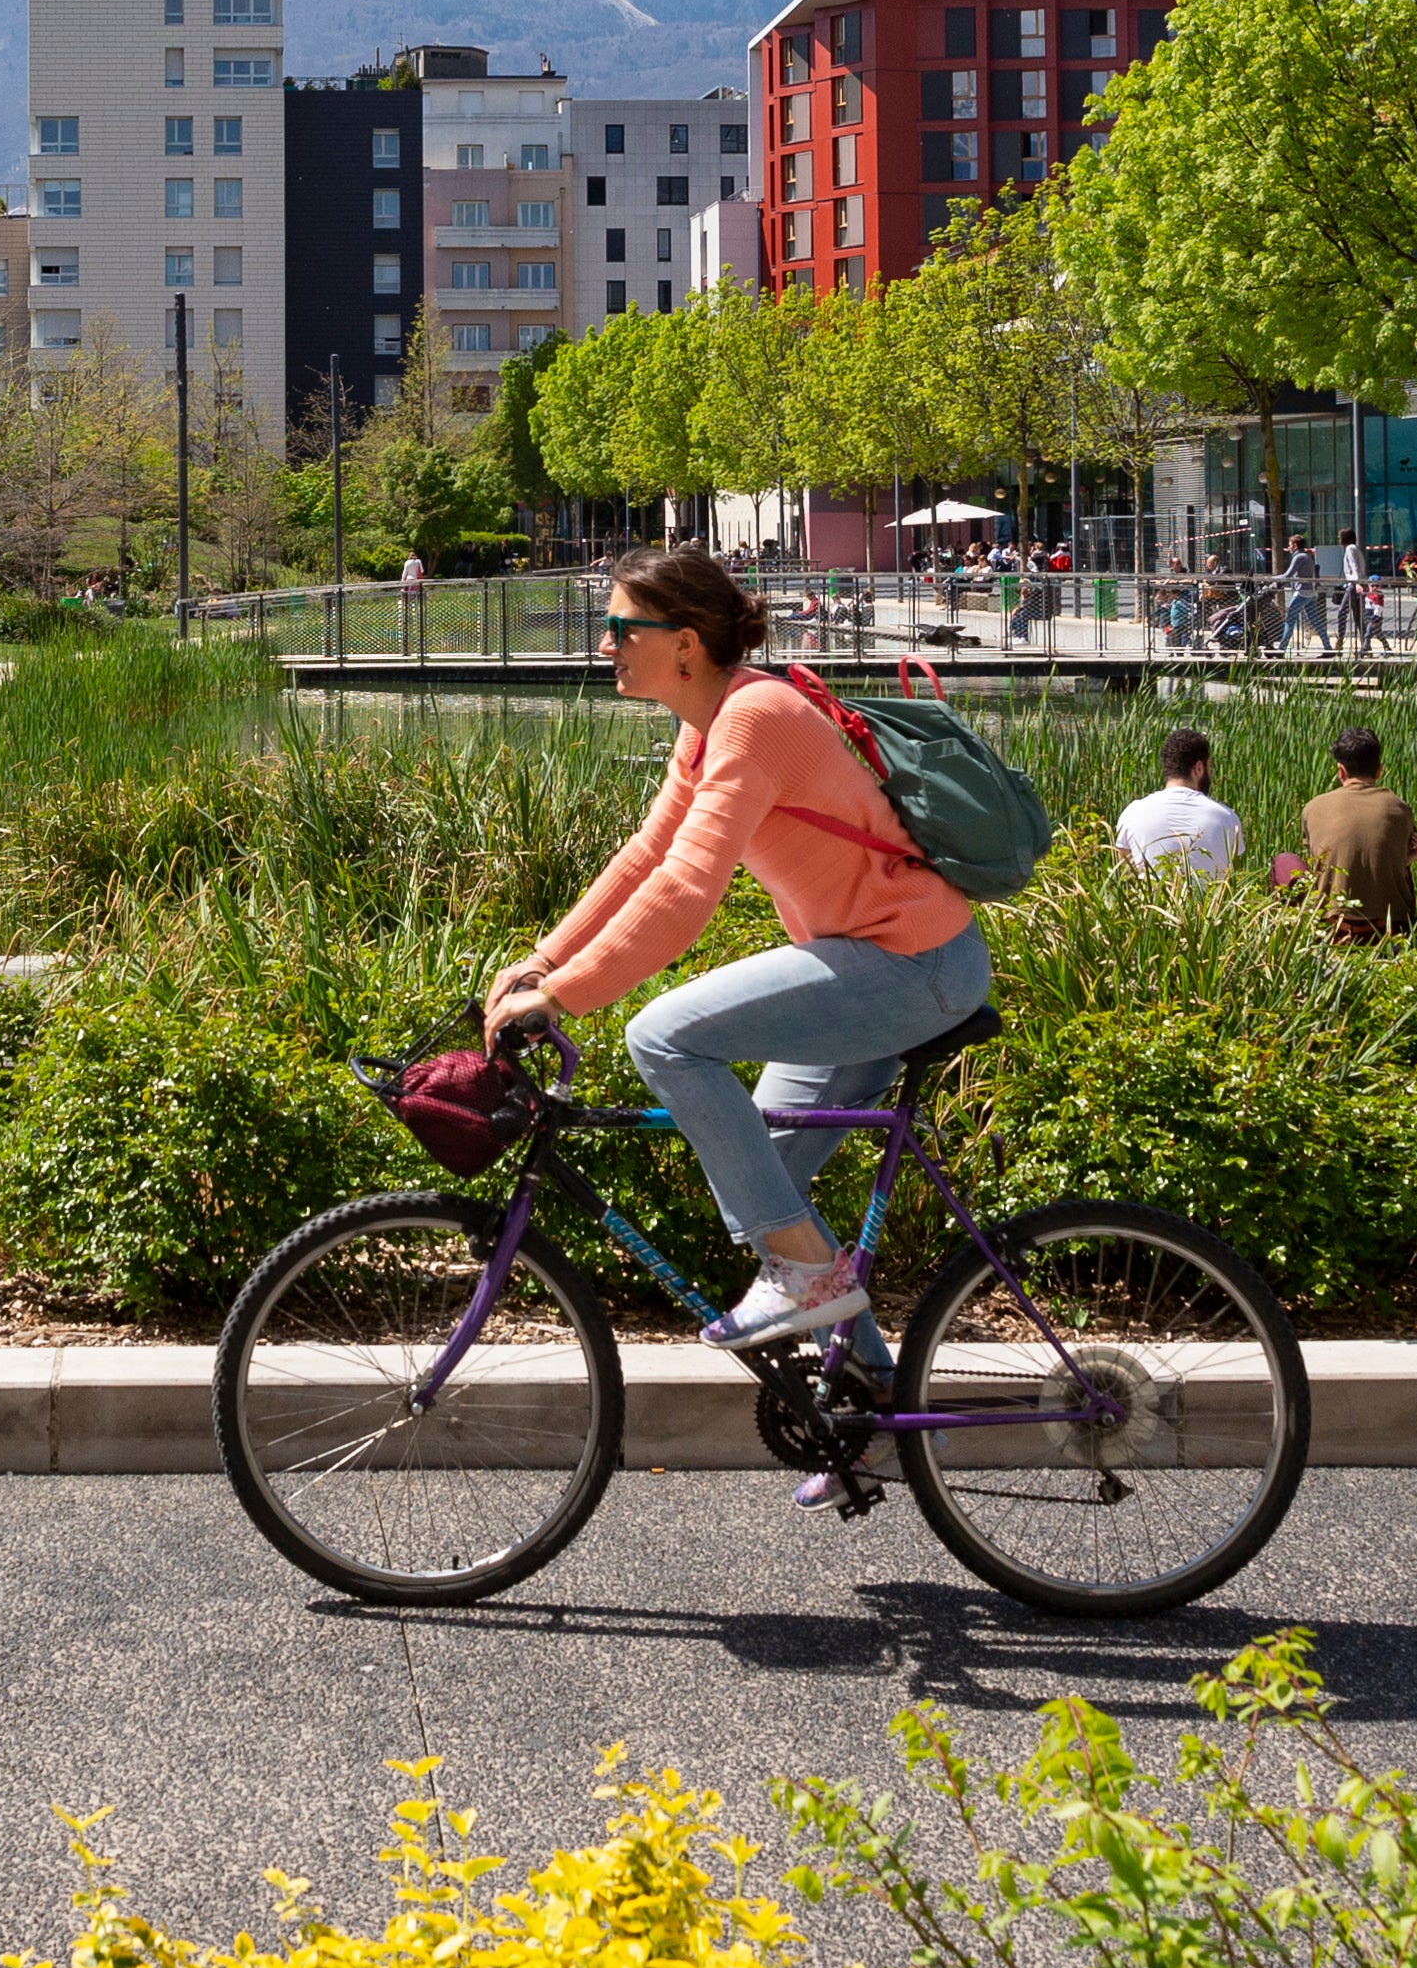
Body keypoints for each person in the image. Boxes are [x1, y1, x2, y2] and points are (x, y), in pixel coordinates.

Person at [476, 549, 992, 1445]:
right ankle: (874, 1404)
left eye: (619, 628)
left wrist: (565, 995)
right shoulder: (709, 721)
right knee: (757, 1186)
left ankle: (805, 1281)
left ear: (683, 643)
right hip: (870, 959)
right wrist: (541, 959)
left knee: (665, 1036)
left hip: (914, 964)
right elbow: (646, 856)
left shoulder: (755, 718)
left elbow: (685, 890)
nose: (604, 644)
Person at [1285, 727, 1417, 939]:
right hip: (1389, 928)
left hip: (1333, 929)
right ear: (1379, 771)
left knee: (1285, 862)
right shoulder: (1400, 809)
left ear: (1341, 770)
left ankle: (1290, 937)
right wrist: (1410, 858)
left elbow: (1318, 859)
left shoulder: (1313, 808)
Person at [1115, 726, 1242, 880]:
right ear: (1199, 768)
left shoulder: (1132, 813)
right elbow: (1233, 879)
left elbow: (1126, 877)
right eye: (1210, 767)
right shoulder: (1227, 818)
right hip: (1209, 904)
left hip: (1150, 904)